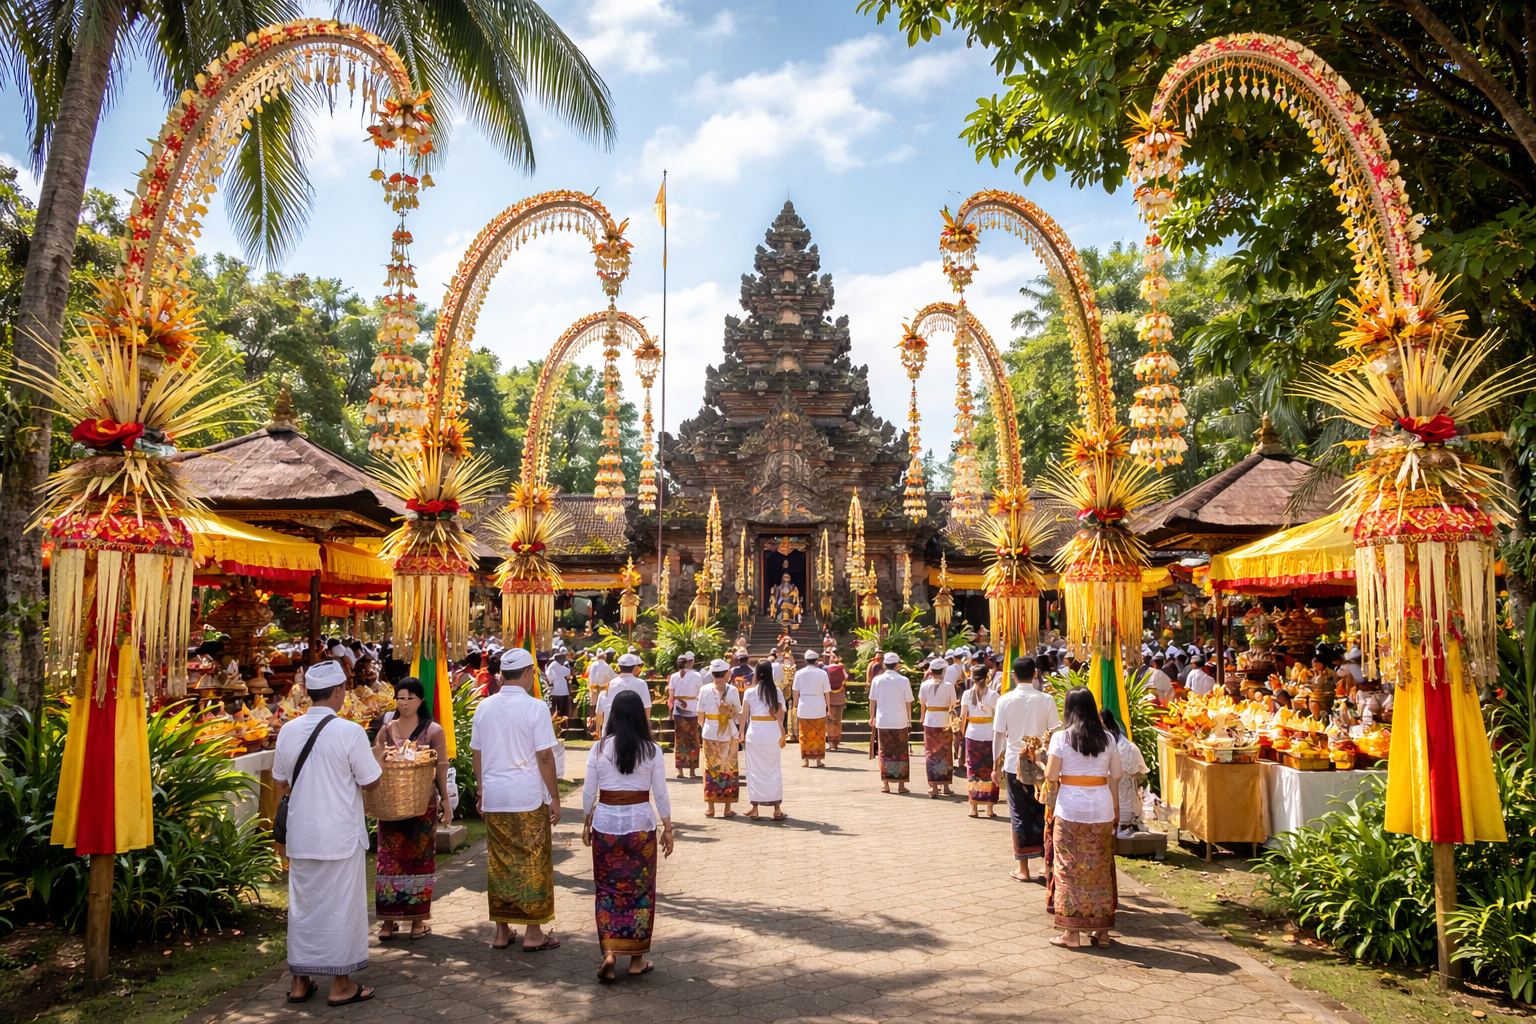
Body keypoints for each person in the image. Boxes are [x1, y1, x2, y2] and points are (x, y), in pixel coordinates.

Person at [273, 659, 383, 1006]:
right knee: (341, 908)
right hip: (339, 835)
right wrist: (377, 757)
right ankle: (341, 985)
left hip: (302, 834)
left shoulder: (288, 730)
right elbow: (371, 782)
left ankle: (300, 982)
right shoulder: (350, 732)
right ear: (338, 691)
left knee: (303, 909)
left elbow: (280, 783)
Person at [471, 649, 563, 952]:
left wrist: (482, 791)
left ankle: (502, 931)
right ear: (527, 673)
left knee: (500, 863)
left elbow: (477, 754)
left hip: (496, 796)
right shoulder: (535, 707)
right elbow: (545, 756)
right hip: (527, 797)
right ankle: (533, 932)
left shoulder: (484, 706)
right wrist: (554, 797)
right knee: (534, 861)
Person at [582, 690, 674, 981]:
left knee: (607, 889)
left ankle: (610, 951)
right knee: (640, 890)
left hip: (606, 824)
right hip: (640, 826)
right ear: (640, 716)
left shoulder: (598, 748)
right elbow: (660, 793)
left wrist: (586, 820)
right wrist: (668, 827)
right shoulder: (652, 750)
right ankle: (636, 959)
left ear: (613, 715)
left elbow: (588, 790)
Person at [1044, 688, 1124, 949]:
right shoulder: (1109, 738)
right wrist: (1116, 807)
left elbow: (1051, 776)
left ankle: (1072, 934)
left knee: (1068, 868)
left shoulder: (1061, 737)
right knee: (1100, 868)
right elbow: (1116, 775)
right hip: (1101, 808)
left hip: (1070, 809)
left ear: (1068, 709)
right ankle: (1102, 932)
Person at [372, 677, 451, 940]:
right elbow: (375, 760)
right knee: (388, 861)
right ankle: (387, 922)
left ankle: (417, 922)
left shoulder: (433, 730)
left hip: (422, 805)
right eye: (400, 698)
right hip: (391, 804)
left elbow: (441, 767)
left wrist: (446, 800)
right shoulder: (386, 729)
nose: (404, 703)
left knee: (419, 861)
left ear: (421, 700)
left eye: (409, 698)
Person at [993, 658, 1061, 882]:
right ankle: (1046, 865)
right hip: (1043, 764)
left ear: (1013, 676)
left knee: (1019, 813)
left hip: (1015, 763)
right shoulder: (1046, 699)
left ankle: (1023, 868)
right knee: (1044, 812)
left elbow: (999, 736)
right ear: (1035, 674)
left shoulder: (1004, 700)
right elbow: (1055, 733)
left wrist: (995, 765)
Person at [739, 659, 787, 819]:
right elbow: (781, 715)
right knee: (774, 770)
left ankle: (755, 808)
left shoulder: (750, 692)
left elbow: (744, 716)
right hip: (772, 734)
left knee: (754, 771)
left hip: (755, 734)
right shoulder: (777, 691)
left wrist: (741, 732)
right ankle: (777, 809)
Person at [698, 659, 742, 817]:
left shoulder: (704, 690)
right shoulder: (733, 690)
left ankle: (710, 807)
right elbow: (738, 712)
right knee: (729, 768)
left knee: (710, 767)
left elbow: (700, 715)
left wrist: (707, 727)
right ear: (727, 674)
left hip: (709, 732)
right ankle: (727, 809)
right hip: (728, 733)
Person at [867, 651, 914, 794]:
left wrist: (872, 717)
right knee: (901, 752)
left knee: (884, 751)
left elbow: (872, 701)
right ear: (897, 665)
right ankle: (901, 785)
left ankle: (886, 784)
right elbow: (908, 702)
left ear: (884, 664)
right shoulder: (904, 680)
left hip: (883, 720)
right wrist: (909, 718)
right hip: (900, 720)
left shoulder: (877, 680)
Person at [960, 665, 1000, 818]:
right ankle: (989, 809)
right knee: (989, 769)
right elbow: (997, 716)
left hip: (972, 733)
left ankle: (974, 808)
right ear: (987, 677)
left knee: (973, 770)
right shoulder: (993, 695)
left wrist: (962, 734)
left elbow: (963, 716)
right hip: (989, 734)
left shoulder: (966, 694)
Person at [1100, 710, 1148, 836]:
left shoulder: (1097, 747)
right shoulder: (1130, 747)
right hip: (1128, 808)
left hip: (1109, 809)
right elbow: (1141, 778)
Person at [918, 657, 957, 798]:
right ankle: (945, 786)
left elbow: (922, 703)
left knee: (931, 753)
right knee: (946, 753)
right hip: (944, 720)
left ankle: (934, 787)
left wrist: (922, 717)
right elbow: (953, 703)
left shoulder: (924, 685)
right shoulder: (949, 685)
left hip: (930, 720)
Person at [596, 653, 652, 738]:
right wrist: (645, 729)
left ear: (619, 667)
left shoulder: (611, 683)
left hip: (613, 727)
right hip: (635, 727)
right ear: (634, 667)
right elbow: (647, 707)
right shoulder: (641, 683)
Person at [666, 653, 702, 779]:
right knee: (693, 740)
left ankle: (680, 771)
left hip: (678, 710)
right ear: (688, 663)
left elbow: (671, 695)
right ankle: (692, 771)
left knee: (680, 740)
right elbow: (700, 692)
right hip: (692, 709)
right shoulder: (697, 675)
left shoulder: (673, 676)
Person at [793, 649, 831, 767]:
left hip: (804, 704)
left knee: (804, 733)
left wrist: (795, 705)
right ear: (816, 661)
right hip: (819, 705)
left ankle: (806, 760)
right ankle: (819, 760)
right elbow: (827, 692)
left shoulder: (799, 673)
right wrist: (828, 708)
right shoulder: (822, 673)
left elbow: (795, 691)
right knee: (819, 733)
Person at [824, 650, 848, 751]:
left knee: (830, 721)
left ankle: (832, 743)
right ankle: (836, 742)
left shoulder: (826, 670)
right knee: (838, 720)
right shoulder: (841, 668)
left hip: (830, 698)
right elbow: (846, 679)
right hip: (840, 697)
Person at [545, 649, 574, 720]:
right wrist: (568, 666)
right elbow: (568, 672)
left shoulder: (553, 665)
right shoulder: (557, 665)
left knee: (557, 710)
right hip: (560, 691)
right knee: (560, 711)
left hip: (555, 690)